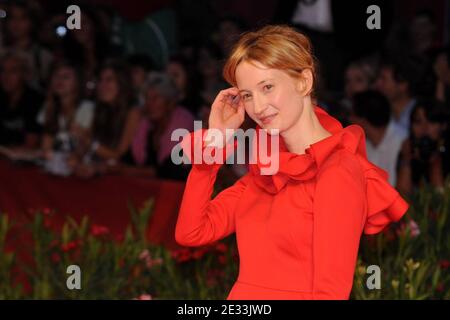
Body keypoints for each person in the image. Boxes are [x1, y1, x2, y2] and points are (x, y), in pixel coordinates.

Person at [175, 25, 409, 300]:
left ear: (304, 82)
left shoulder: (338, 170)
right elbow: (192, 233)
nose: (258, 107)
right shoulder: (266, 172)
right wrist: (215, 142)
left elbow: (330, 293)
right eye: (247, 95)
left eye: (268, 87)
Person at [122, 72, 194, 180]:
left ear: (170, 102)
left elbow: (169, 170)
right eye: (147, 98)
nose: (149, 103)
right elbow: (128, 159)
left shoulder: (185, 125)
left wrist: (122, 170)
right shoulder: (145, 126)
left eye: (155, 98)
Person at [350, 90, 407, 186]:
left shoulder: (403, 141)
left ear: (363, 120)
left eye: (352, 115)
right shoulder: (360, 143)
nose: (350, 119)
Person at [396, 99, 449, 195]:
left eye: (431, 121)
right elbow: (402, 197)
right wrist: (406, 160)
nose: (424, 127)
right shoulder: (409, 151)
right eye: (418, 121)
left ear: (443, 126)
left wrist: (435, 160)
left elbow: (441, 199)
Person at [0, 50, 43, 148]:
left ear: (25, 74)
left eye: (13, 71)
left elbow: (30, 145)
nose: (5, 76)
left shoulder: (35, 100)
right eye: (2, 70)